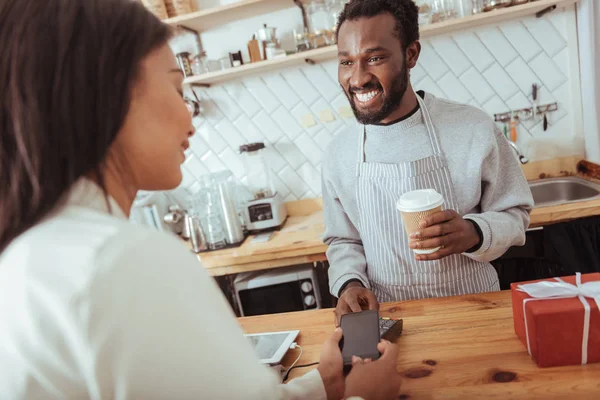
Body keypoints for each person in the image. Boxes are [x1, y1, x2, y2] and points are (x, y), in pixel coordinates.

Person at [0, 0, 402, 398]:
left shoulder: (32, 249)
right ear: (110, 100)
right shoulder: (120, 261)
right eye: (177, 89)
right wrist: (364, 396)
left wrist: (324, 385)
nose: (189, 115)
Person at [322, 0, 534, 324]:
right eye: (346, 62)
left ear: (411, 54)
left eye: (375, 58)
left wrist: (474, 232)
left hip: (477, 311)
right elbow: (343, 240)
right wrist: (350, 283)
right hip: (392, 322)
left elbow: (516, 214)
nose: (358, 78)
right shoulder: (339, 153)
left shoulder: (471, 128)